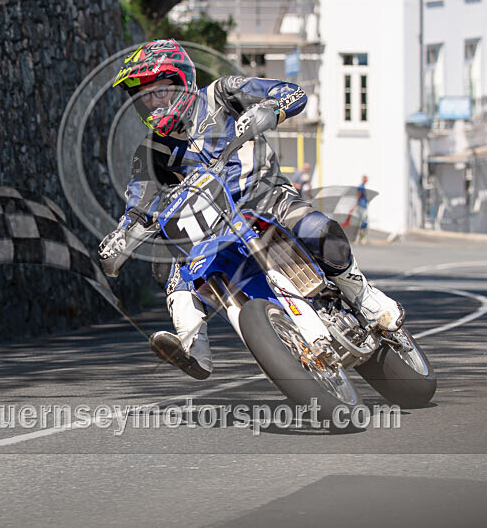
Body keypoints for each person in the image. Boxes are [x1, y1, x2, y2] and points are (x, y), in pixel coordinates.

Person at [98, 39, 403, 380]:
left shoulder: (222, 94)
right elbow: (139, 200)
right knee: (166, 261)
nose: (153, 103)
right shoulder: (151, 151)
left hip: (267, 198)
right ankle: (193, 345)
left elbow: (290, 92)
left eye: (159, 91)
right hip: (211, 228)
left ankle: (361, 294)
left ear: (181, 79)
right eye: (144, 97)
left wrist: (271, 109)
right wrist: (123, 234)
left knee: (315, 228)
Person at [356, 175, 369, 244]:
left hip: (363, 206)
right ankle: (359, 238)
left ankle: (360, 237)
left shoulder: (363, 186)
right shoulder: (361, 187)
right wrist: (356, 204)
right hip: (361, 206)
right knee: (363, 222)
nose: (366, 180)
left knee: (363, 222)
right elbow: (359, 195)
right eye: (365, 179)